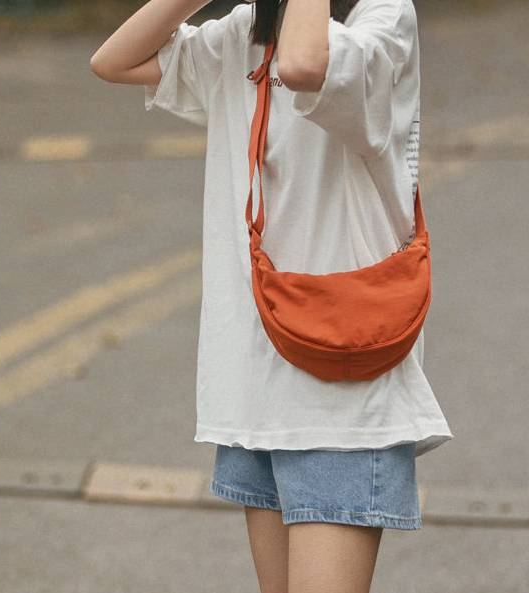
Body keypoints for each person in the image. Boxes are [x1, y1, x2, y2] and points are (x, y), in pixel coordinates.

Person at [91, 1, 454, 591]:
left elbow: (305, 65)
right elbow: (114, 61)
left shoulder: (380, 19)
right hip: (257, 395)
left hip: (340, 405)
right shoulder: (246, 32)